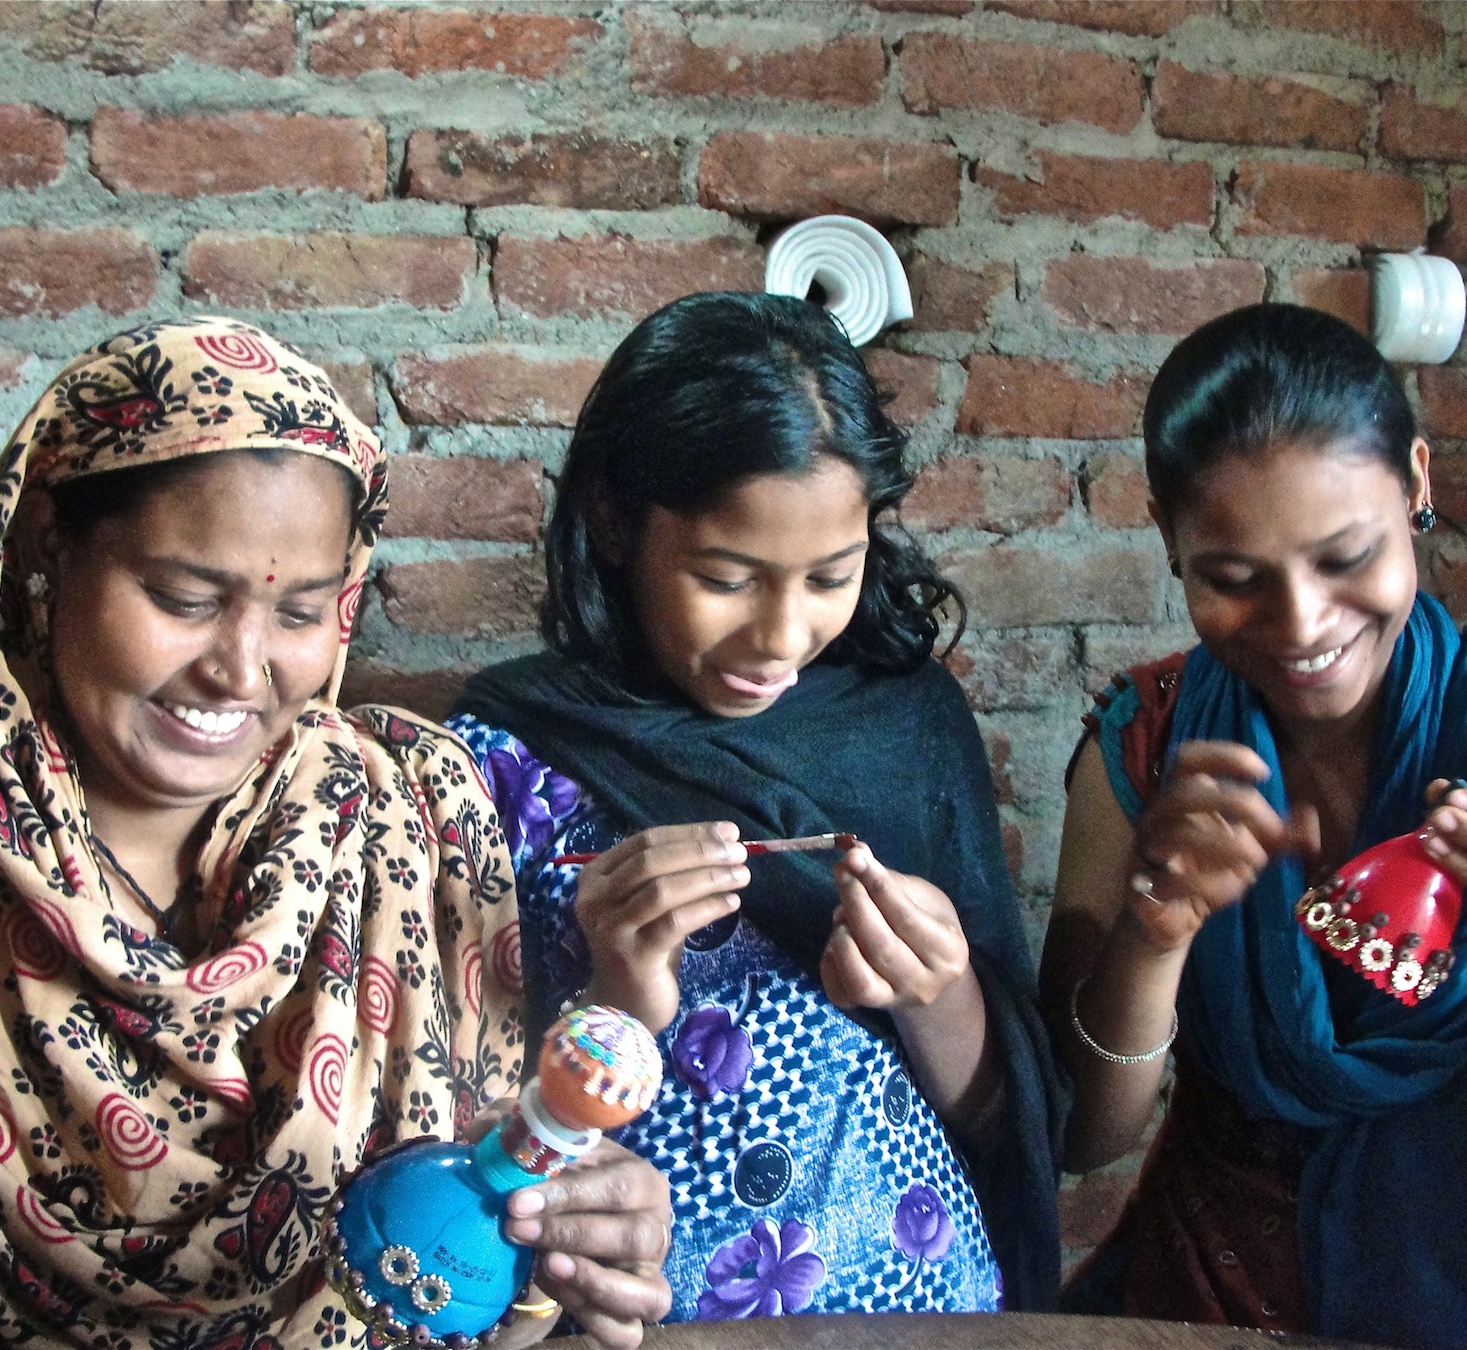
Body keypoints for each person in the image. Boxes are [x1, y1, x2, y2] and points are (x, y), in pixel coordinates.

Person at [0, 318, 671, 1350]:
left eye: (302, 613)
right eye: (181, 597)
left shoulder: (413, 818)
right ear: (46, 546)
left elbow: (473, 1271)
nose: (242, 669)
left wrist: (552, 1262)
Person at [445, 292, 1063, 1324]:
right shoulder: (506, 756)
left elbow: (1003, 1120)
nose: (782, 636)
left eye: (830, 577)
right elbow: (465, 1134)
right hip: (646, 1320)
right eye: (727, 579)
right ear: (612, 518)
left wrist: (938, 991)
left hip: (930, 1307)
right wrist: (621, 988)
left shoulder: (904, 727)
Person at [1045, 303, 1467, 1349]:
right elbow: (1079, 1133)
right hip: (1211, 1298)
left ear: (1418, 486)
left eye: (1346, 557)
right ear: (1168, 537)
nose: (1302, 626)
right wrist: (1156, 934)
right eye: (1234, 579)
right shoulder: (1148, 747)